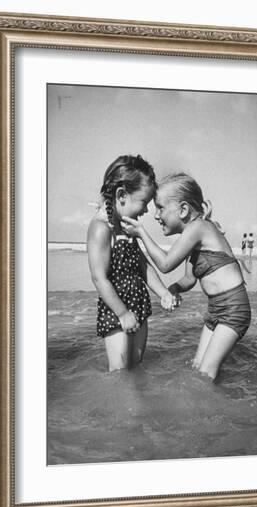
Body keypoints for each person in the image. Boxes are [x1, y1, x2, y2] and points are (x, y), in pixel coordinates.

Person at [121, 172, 251, 382]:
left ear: (183, 210)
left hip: (234, 309)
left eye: (160, 207)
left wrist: (141, 233)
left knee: (206, 372)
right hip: (216, 309)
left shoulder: (198, 227)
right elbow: (189, 279)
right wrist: (173, 289)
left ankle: (211, 413)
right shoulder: (192, 236)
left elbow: (165, 264)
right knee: (197, 369)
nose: (156, 215)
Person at [87, 154, 177, 372]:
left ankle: (136, 405)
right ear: (122, 195)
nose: (146, 210)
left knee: (136, 366)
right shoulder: (101, 228)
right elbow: (99, 278)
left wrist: (163, 292)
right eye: (144, 202)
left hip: (139, 304)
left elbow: (143, 266)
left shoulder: (127, 228)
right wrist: (122, 313)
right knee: (119, 371)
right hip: (115, 309)